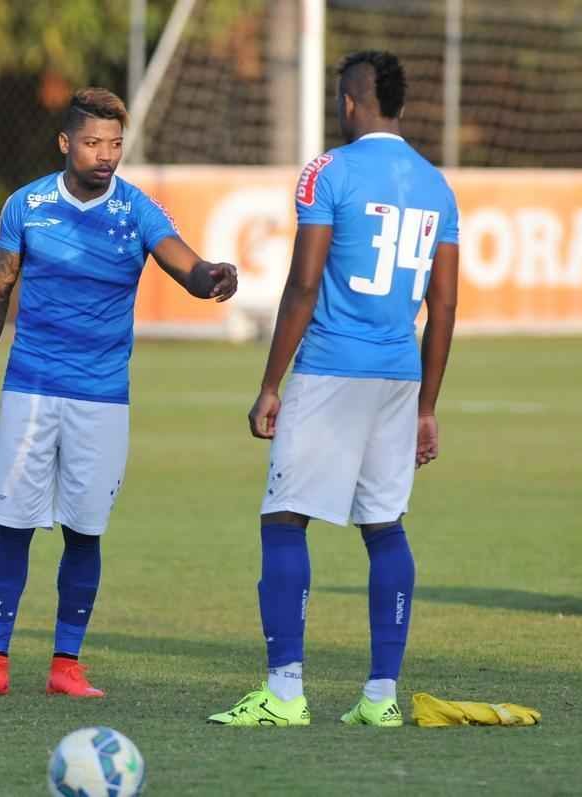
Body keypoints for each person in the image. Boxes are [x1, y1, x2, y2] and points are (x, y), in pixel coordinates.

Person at [0, 87, 238, 698]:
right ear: (66, 143)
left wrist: (211, 275)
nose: (105, 154)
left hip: (103, 397)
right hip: (30, 388)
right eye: (92, 143)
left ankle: (67, 665)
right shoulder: (26, 206)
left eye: (114, 144)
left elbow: (185, 267)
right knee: (14, 524)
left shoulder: (137, 211)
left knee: (86, 531)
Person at [207, 50, 459, 727]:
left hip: (330, 369)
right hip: (399, 375)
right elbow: (445, 303)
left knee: (284, 518)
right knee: (384, 527)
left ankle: (284, 694)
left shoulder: (329, 171)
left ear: (350, 101)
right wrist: (428, 405)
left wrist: (270, 383)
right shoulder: (437, 185)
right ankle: (381, 697)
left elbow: (304, 281)